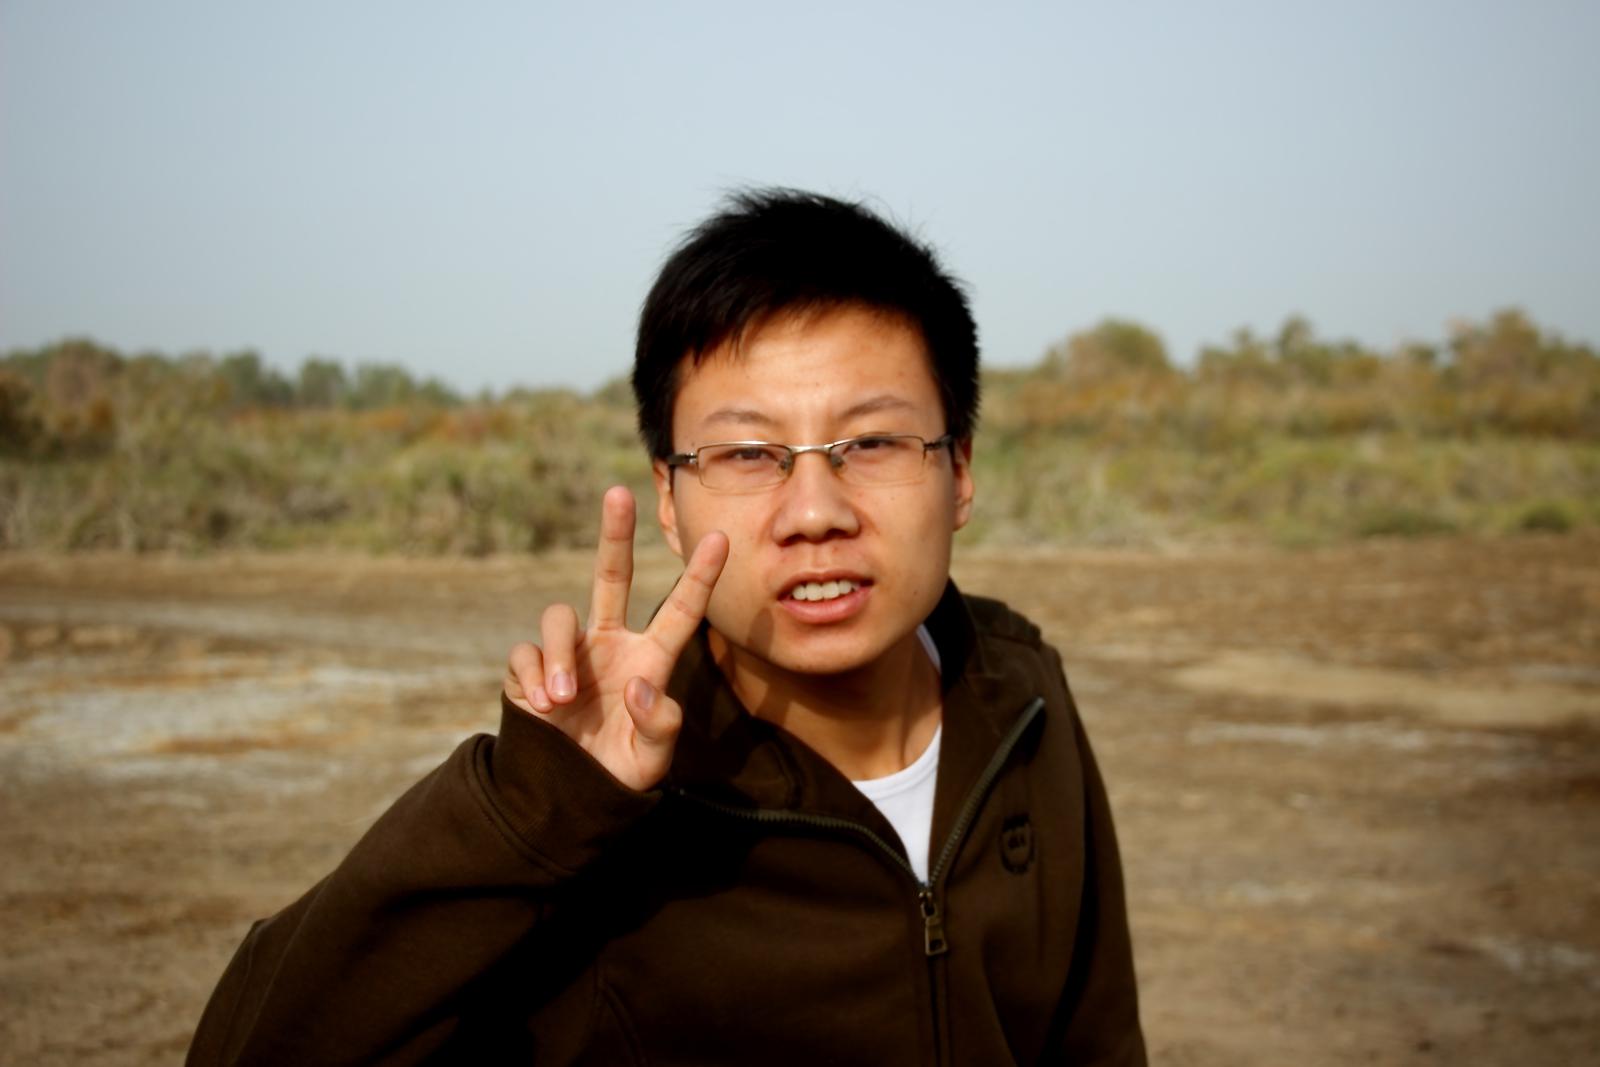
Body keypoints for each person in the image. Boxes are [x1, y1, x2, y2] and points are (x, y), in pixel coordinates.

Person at [188, 189, 1146, 1065]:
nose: (815, 511)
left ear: (960, 469)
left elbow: (1097, 1037)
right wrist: (533, 807)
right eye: (748, 454)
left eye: (871, 442)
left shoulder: (1019, 695)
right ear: (669, 499)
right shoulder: (604, 802)